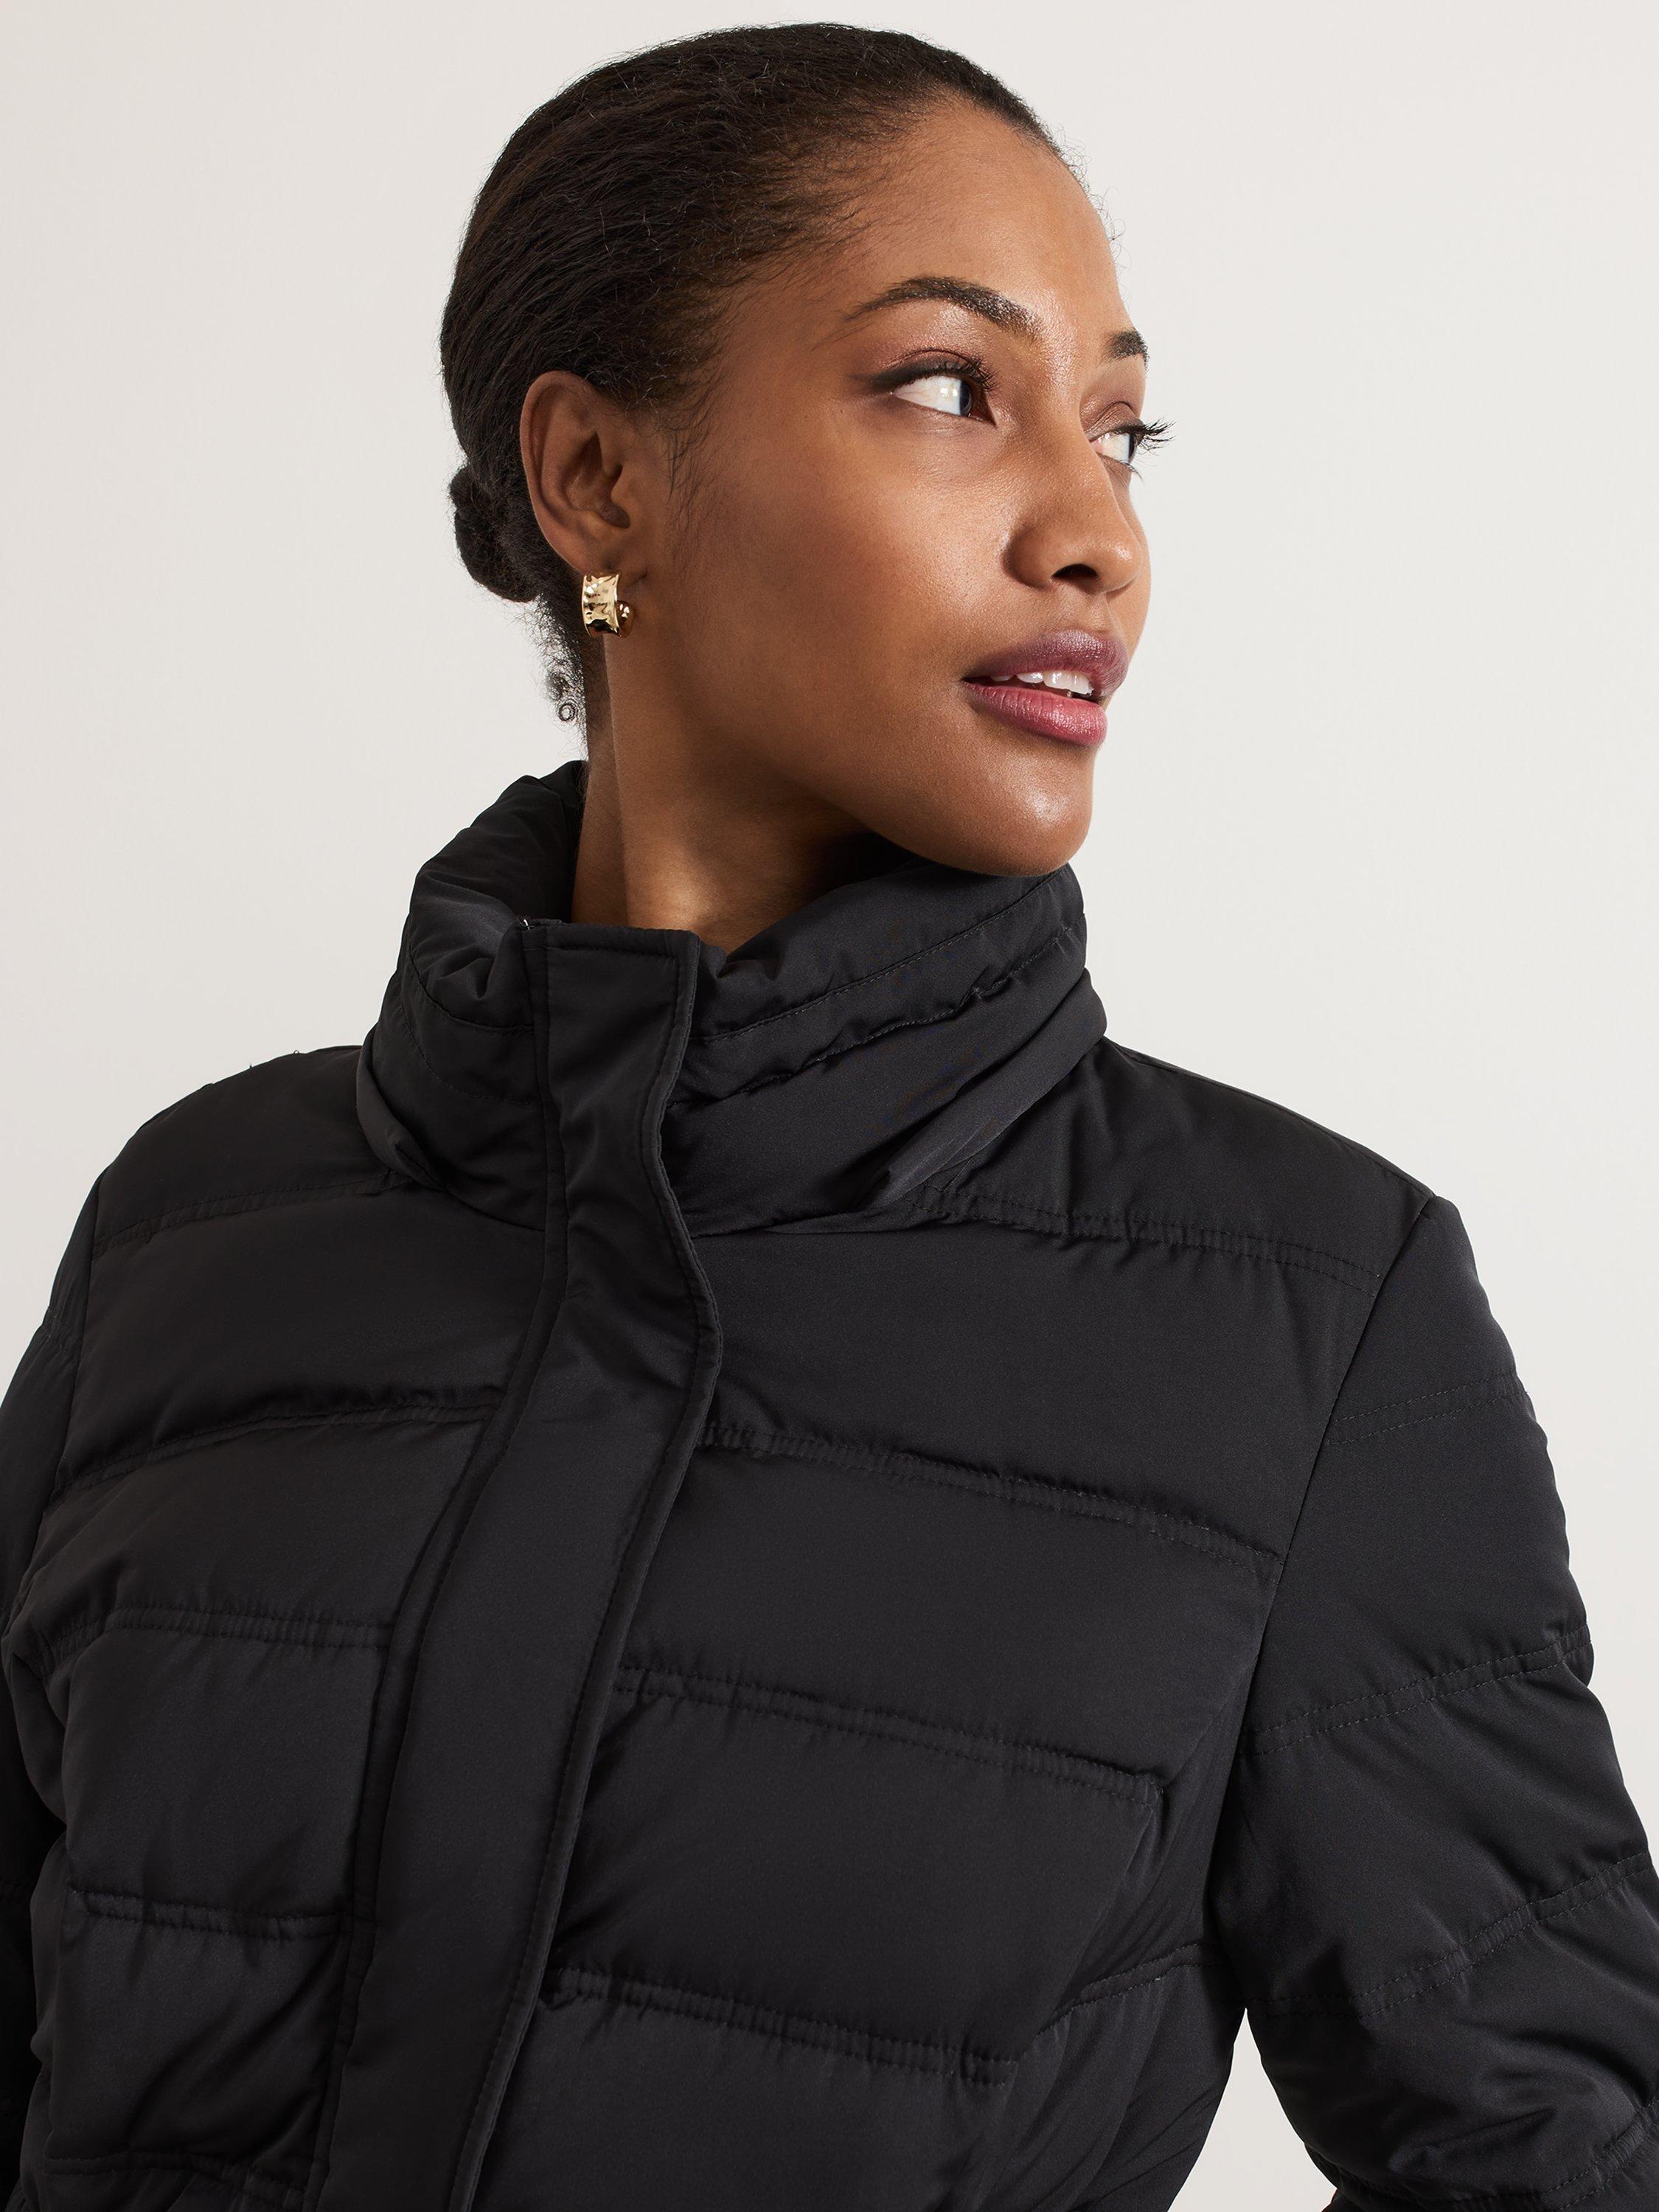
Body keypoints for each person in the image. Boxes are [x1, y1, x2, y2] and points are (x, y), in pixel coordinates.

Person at [2, 22, 1655, 2212]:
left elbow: (1561, 2152)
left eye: (1124, 433)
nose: (1096, 534)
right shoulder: (196, 1232)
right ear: (597, 479)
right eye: (954, 389)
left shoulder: (1309, 1312)